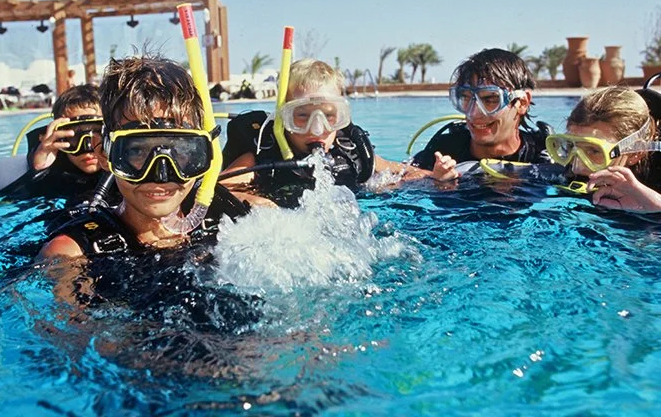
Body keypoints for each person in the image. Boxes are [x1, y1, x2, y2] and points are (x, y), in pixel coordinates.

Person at [39, 56, 249, 303]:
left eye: (180, 150)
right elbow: (74, 335)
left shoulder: (226, 216)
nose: (161, 174)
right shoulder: (74, 253)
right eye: (137, 151)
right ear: (106, 156)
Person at [221, 58, 428, 206]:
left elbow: (403, 171)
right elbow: (219, 189)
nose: (317, 128)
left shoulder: (350, 152)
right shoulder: (263, 156)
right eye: (302, 116)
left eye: (328, 116)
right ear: (284, 117)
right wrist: (256, 202)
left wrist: (437, 175)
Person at [411, 48, 553, 181]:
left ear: (522, 103)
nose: (474, 113)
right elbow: (396, 175)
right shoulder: (445, 150)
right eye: (466, 98)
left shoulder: (544, 155)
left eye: (490, 99)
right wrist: (432, 181)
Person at [546, 86, 661, 211]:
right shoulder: (560, 176)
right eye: (570, 145)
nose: (577, 167)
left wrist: (654, 206)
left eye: (595, 151)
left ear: (635, 153)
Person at [0, 84, 107, 202]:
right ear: (59, 138)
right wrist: (39, 171)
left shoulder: (120, 171)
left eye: (99, 134)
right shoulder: (56, 174)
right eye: (74, 137)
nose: (88, 148)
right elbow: (7, 203)